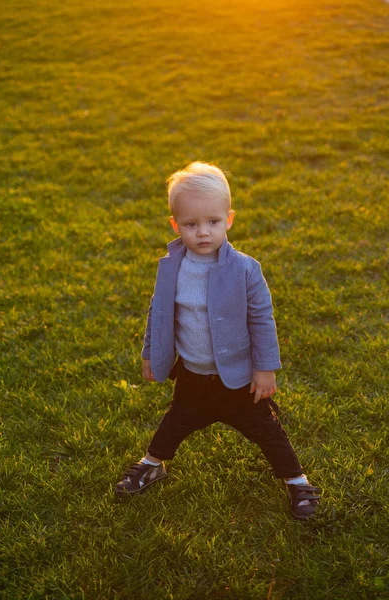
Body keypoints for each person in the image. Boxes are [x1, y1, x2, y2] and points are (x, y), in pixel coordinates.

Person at [115, 161, 320, 520]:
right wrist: (150, 353)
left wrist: (265, 369)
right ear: (176, 225)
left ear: (229, 219)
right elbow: (159, 314)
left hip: (238, 379)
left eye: (212, 222)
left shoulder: (244, 268)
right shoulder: (171, 266)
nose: (203, 232)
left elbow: (261, 320)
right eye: (191, 225)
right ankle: (152, 464)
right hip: (193, 376)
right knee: (174, 423)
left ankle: (297, 481)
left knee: (267, 431)